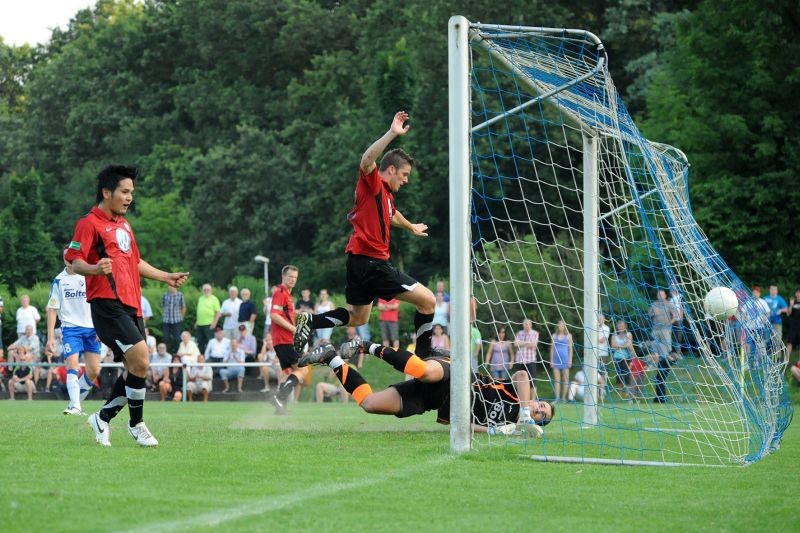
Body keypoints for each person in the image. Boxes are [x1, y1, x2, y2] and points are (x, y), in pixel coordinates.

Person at [293, 111, 436, 361]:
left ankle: (310, 320)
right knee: (428, 301)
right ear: (390, 169)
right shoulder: (372, 183)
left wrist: (411, 226)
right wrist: (392, 133)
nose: (405, 181)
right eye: (404, 175)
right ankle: (425, 354)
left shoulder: (387, 197)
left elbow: (392, 215)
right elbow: (367, 159)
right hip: (374, 264)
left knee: (359, 317)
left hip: (357, 262)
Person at [66, 164, 189, 447]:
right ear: (107, 192)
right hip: (107, 305)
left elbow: (135, 261)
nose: (129, 197)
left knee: (137, 367)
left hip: (132, 306)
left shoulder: (124, 225)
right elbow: (74, 261)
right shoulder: (88, 223)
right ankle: (137, 425)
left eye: (131, 192)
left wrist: (165, 276)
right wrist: (95, 269)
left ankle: (103, 418)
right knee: (142, 360)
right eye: (124, 191)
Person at [299, 340, 553, 436]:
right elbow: (521, 373)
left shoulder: (511, 426)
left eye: (542, 415)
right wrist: (526, 408)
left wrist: (494, 430)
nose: (539, 410)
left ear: (537, 425)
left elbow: (459, 425)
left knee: (370, 404)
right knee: (425, 371)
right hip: (459, 376)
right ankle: (367, 346)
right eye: (542, 405)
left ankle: (330, 357)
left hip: (435, 402)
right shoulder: (521, 395)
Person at [46, 252, 101, 415]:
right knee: (72, 366)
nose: (70, 258)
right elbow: (52, 309)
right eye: (67, 256)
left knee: (94, 370)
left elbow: (99, 303)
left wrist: (101, 327)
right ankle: (76, 405)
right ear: (64, 259)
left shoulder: (89, 275)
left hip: (92, 329)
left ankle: (75, 402)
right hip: (70, 329)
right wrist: (50, 338)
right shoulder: (59, 280)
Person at [270, 265, 307, 413]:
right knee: (302, 370)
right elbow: (274, 315)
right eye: (290, 277)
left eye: (295, 277)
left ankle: (280, 407)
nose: (292, 280)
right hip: (285, 340)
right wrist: (294, 330)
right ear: (283, 277)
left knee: (292, 373)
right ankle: (280, 395)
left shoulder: (287, 295)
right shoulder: (280, 292)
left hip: (283, 340)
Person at [649, 289, 678, 361]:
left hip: (665, 328)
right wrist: (654, 314)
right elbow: (650, 315)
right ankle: (657, 361)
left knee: (666, 346)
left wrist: (670, 322)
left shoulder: (669, 304)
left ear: (665, 296)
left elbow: (675, 316)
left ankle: (668, 359)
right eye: (659, 295)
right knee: (654, 346)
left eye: (662, 295)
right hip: (655, 328)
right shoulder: (654, 304)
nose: (660, 296)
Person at [549, 320, 573, 402]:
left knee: (566, 379)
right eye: (559, 325)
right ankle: (557, 397)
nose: (561, 327)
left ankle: (563, 398)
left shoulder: (569, 336)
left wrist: (570, 360)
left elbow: (570, 349)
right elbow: (552, 349)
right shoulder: (554, 335)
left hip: (565, 359)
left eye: (562, 325)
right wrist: (551, 360)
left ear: (565, 326)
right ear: (557, 326)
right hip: (556, 359)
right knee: (557, 380)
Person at [610, 319, 634, 400]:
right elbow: (613, 345)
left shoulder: (629, 334)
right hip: (617, 357)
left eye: (622, 326)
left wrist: (619, 346)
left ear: (625, 326)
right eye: (619, 326)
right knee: (619, 375)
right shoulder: (614, 335)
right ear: (617, 327)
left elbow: (628, 344)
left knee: (627, 375)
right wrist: (623, 345)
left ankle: (628, 393)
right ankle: (620, 393)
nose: (620, 327)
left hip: (627, 358)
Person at [195, 284, 221, 353]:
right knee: (200, 343)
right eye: (204, 290)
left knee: (210, 343)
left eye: (208, 290)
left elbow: (218, 313)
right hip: (200, 324)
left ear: (211, 290)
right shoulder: (200, 298)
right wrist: (196, 322)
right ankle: (201, 359)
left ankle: (210, 360)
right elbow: (199, 311)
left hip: (209, 324)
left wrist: (214, 323)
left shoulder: (214, 299)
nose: (206, 291)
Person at [161, 286, 186, 354]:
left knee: (177, 339)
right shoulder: (165, 295)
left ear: (176, 287)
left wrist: (182, 317)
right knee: (165, 338)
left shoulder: (180, 295)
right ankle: (166, 353)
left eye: (173, 287)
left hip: (177, 320)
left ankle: (177, 353)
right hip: (166, 320)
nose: (171, 288)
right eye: (170, 287)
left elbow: (183, 307)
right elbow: (162, 305)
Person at [514, 319, 540, 384]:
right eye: (525, 324)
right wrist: (528, 342)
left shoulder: (535, 333)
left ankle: (532, 394)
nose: (527, 326)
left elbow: (533, 345)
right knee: (519, 381)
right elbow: (515, 344)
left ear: (531, 325)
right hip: (520, 360)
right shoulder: (519, 333)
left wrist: (521, 343)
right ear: (523, 325)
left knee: (532, 382)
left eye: (528, 324)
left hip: (530, 360)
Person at [785, 289, 800, 363]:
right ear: (796, 293)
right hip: (793, 326)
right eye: (798, 292)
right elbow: (788, 314)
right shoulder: (793, 302)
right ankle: (786, 361)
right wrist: (791, 305)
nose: (799, 294)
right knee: (789, 343)